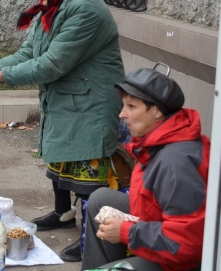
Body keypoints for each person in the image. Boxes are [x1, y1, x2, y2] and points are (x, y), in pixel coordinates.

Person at [0, 0, 124, 262]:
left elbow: (53, 63)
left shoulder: (86, 10)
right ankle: (62, 213)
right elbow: (29, 52)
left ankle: (91, 238)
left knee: (88, 171)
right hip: (69, 97)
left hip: (91, 101)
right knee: (60, 159)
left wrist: (1, 76)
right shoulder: (52, 8)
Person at [82, 64, 210, 271]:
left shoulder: (177, 162)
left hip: (185, 262)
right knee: (102, 200)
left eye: (131, 107)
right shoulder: (158, 141)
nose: (122, 114)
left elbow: (185, 244)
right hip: (166, 233)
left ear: (157, 111)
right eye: (124, 106)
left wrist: (127, 232)